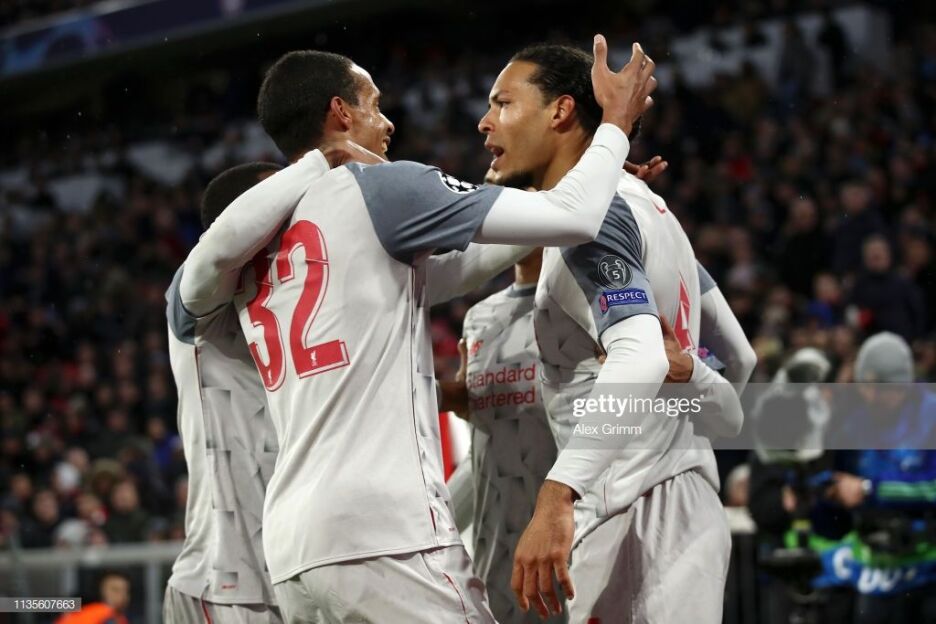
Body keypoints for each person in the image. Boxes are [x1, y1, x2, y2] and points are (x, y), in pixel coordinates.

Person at [179, 39, 657, 622]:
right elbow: (574, 219)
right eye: (374, 104)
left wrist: (584, 179)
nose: (388, 123)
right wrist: (613, 128)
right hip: (385, 533)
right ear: (340, 113)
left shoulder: (262, 241)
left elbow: (460, 268)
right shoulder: (382, 188)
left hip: (293, 551)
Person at [475, 43, 751, 622]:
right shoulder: (653, 210)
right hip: (686, 501)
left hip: (627, 513)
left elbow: (642, 358)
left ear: (560, 112)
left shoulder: (595, 222)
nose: (485, 121)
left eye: (503, 103)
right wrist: (688, 393)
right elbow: (739, 359)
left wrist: (558, 494)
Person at [164, 161, 292, 623]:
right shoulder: (198, 294)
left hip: (292, 577)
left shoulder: (293, 303)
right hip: (225, 587)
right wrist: (322, 163)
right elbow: (215, 256)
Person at [56, 571, 130, 624]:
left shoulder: (120, 617)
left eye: (125, 591)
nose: (123, 595)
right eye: (115, 590)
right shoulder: (98, 613)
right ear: (100, 591)